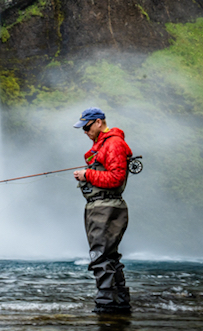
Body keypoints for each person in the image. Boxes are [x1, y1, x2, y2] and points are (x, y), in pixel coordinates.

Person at [72, 107, 132, 314]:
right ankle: (120, 302)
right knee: (109, 256)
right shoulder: (104, 145)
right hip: (103, 207)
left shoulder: (113, 143)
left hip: (105, 207)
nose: (85, 132)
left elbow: (116, 178)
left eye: (87, 127)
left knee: (100, 256)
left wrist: (87, 175)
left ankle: (106, 304)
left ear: (99, 122)